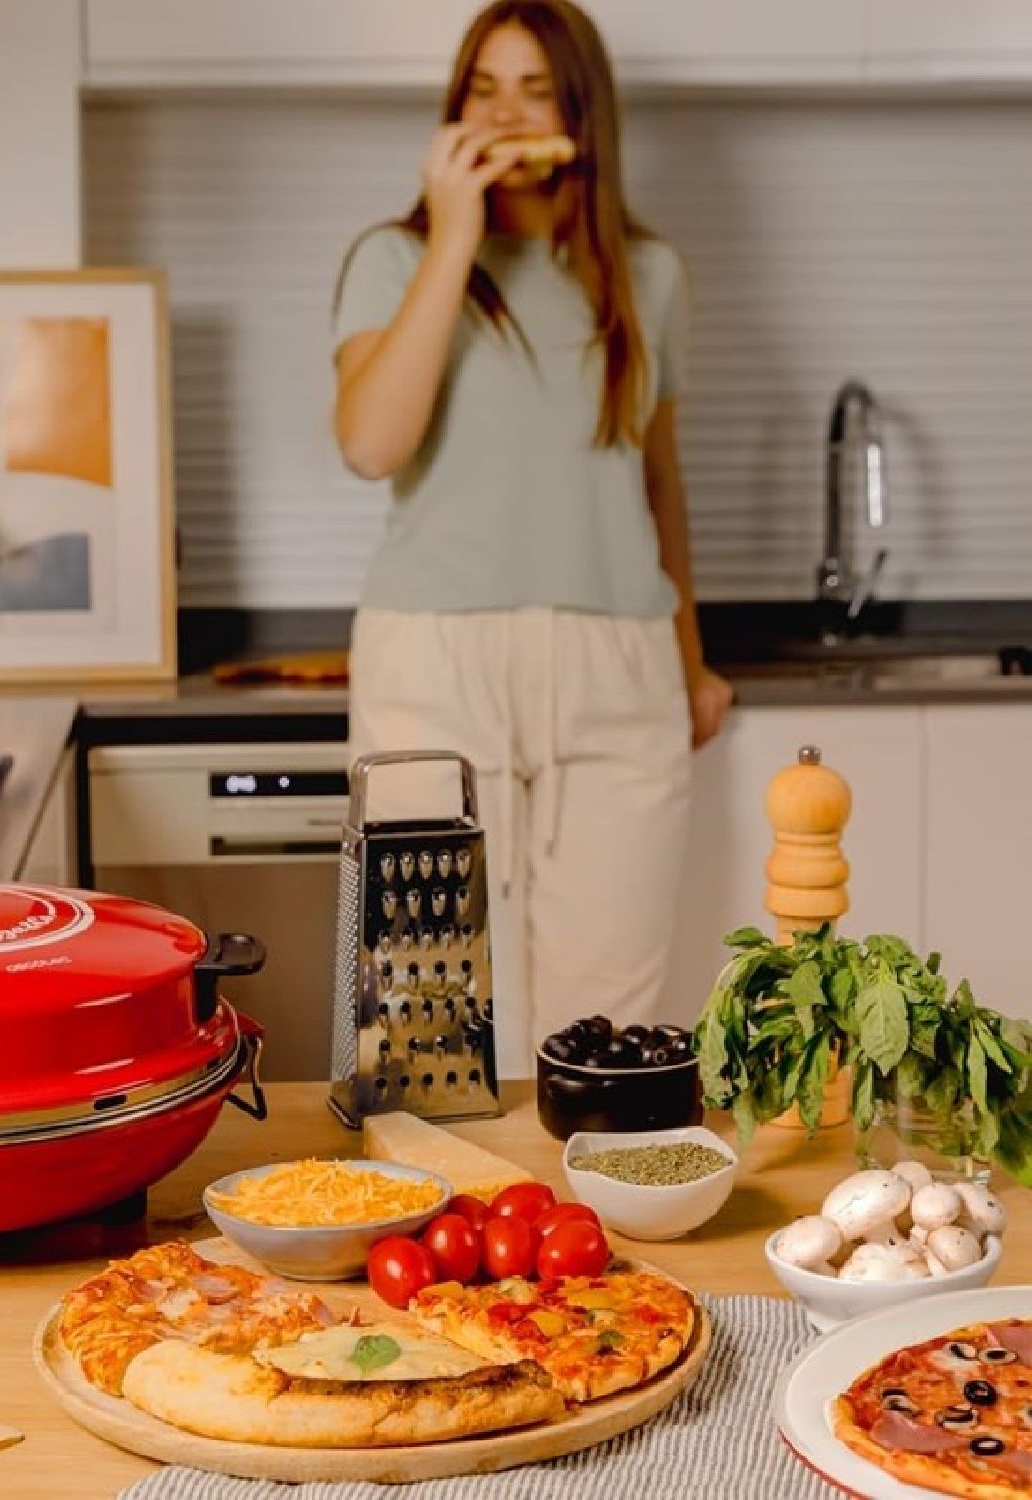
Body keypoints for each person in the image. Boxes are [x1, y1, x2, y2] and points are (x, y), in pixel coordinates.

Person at [331, 0, 733, 1079]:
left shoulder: (648, 276)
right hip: (433, 663)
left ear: (582, 114)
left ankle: (580, 1241)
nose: (507, 112)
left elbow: (656, 478)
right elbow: (371, 443)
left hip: (618, 667)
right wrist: (454, 235)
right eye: (484, 86)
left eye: (537, 88)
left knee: (603, 1030)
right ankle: (439, 1238)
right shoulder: (393, 260)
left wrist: (690, 664)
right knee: (426, 1027)